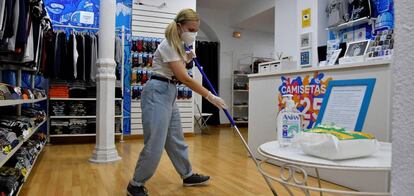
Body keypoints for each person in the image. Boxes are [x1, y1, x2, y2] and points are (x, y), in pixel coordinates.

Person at [127, 8, 227, 196]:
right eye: (191, 29)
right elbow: (185, 78)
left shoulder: (179, 45)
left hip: (169, 92)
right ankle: (136, 184)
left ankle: (187, 175)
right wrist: (210, 96)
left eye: (196, 30)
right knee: (155, 143)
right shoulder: (168, 44)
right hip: (157, 92)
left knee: (175, 138)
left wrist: (187, 58)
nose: (193, 34)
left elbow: (180, 69)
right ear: (179, 26)